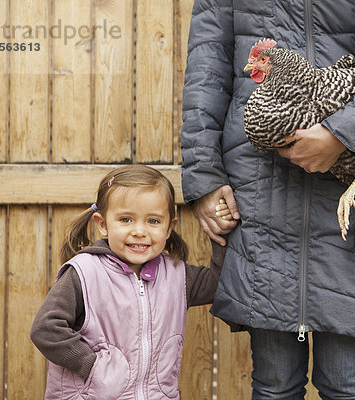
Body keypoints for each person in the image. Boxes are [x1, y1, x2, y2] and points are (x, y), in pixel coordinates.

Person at [181, 1, 355, 398]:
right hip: (260, 188)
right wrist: (202, 176)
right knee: (274, 385)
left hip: (352, 181)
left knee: (347, 384)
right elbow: (208, 67)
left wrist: (343, 132)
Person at [30, 164, 226, 399]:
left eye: (153, 221)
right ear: (102, 224)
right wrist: (92, 366)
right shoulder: (85, 272)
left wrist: (220, 232)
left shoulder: (178, 276)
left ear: (169, 228)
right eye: (126, 219)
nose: (140, 231)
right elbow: (46, 329)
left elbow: (220, 284)